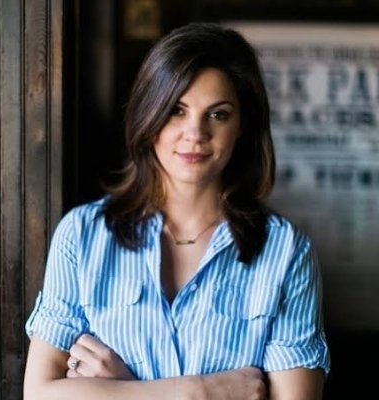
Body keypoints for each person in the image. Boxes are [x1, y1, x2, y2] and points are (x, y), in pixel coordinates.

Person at [23, 22, 330, 400]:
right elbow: (39, 393)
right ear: (150, 115)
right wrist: (196, 390)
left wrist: (121, 389)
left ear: (242, 126)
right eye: (176, 110)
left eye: (218, 114)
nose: (195, 133)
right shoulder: (83, 235)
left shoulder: (285, 251)